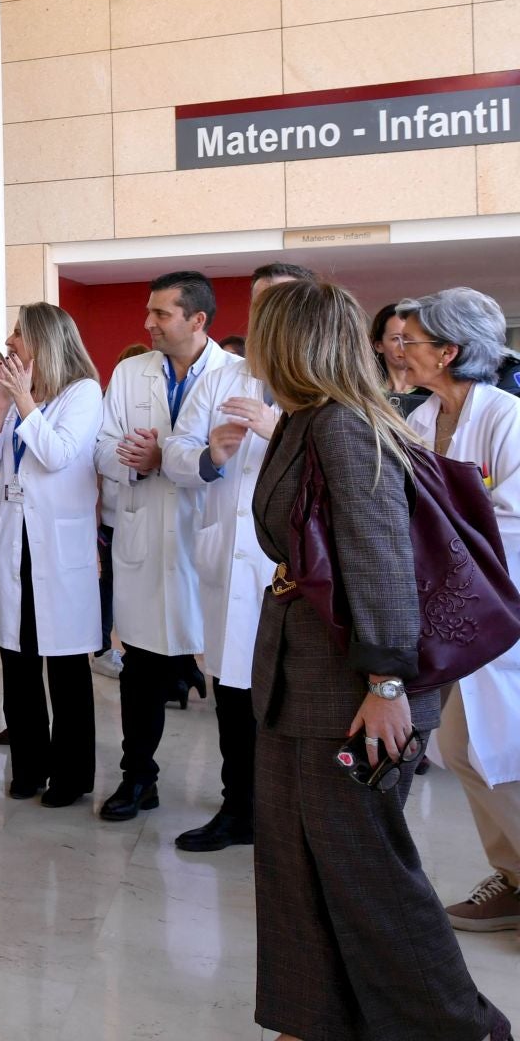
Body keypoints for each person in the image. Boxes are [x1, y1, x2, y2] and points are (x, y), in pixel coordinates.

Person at [243, 278, 510, 1041]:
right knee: (297, 866)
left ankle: (464, 1029)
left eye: (263, 328)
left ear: (291, 340)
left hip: (355, 689)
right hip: (304, 682)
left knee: (370, 877)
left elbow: (382, 561)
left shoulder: (344, 427)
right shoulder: (306, 419)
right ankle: (315, 1016)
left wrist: (388, 682)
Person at [161, 262, 312, 852]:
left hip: (295, 569)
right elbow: (176, 450)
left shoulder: (324, 381)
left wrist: (278, 432)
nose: (263, 315)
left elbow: (337, 468)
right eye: (256, 303)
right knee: (232, 692)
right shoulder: (226, 378)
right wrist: (210, 455)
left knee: (291, 696)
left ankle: (291, 813)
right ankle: (240, 808)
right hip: (230, 557)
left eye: (277, 302)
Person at [394, 288, 520, 935]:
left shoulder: (505, 417)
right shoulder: (423, 418)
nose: (398, 349)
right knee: (463, 747)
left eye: (410, 340)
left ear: (449, 351)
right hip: (448, 611)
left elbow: (514, 520)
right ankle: (514, 875)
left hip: (501, 613)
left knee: (497, 749)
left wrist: (439, 537)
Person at [94, 271, 228, 822]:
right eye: (148, 312)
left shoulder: (235, 376)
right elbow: (101, 448)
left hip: (209, 539)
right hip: (144, 531)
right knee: (142, 672)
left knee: (230, 679)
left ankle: (239, 796)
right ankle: (137, 778)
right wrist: (135, 460)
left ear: (196, 320)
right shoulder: (130, 372)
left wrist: (163, 456)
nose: (147, 323)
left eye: (161, 314)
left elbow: (232, 460)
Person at [0, 303, 102, 807]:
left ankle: (71, 775)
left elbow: (58, 454)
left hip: (56, 545)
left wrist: (24, 401)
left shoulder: (82, 393)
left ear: (44, 341)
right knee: (18, 662)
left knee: (65, 666)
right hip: (13, 540)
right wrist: (0, 407)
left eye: (18, 333)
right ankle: (28, 767)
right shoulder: (16, 399)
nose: (8, 341)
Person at [93, 343, 152, 680]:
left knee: (127, 586)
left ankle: (130, 647)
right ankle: (103, 647)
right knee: (109, 584)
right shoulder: (107, 404)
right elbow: (99, 463)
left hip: (136, 509)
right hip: (112, 513)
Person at [372, 301, 432, 419]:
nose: (404, 346)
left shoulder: (433, 393)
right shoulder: (368, 391)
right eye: (396, 339)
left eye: (410, 339)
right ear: (379, 345)